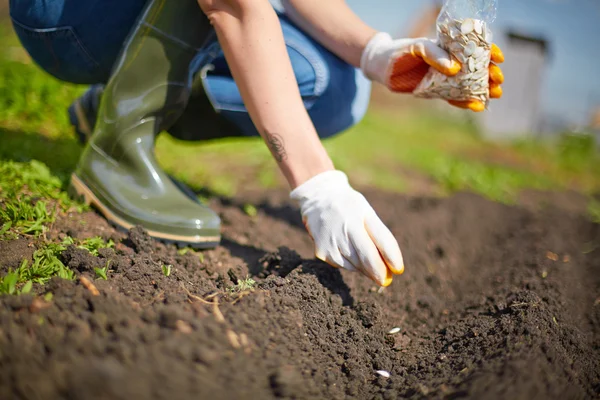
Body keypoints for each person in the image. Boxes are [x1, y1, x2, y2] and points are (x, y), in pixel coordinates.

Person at [8, 0, 505, 287]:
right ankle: (117, 146)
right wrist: (317, 185)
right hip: (69, 15)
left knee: (339, 89)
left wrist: (376, 54)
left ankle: (110, 104)